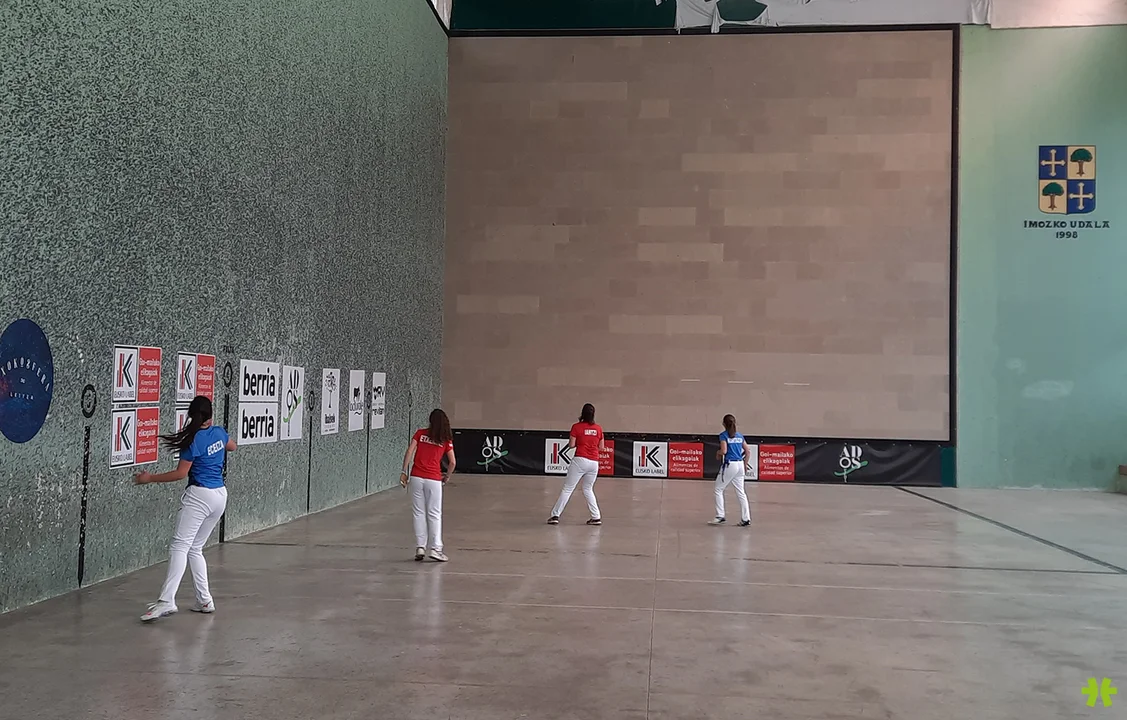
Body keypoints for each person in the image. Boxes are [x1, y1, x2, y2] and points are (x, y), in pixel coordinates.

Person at [135, 396, 236, 622]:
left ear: (191, 415)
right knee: (195, 548)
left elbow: (180, 474)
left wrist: (149, 478)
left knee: (180, 546)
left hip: (200, 497)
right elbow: (233, 446)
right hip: (220, 496)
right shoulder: (219, 433)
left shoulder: (192, 441)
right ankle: (205, 600)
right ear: (210, 415)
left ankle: (167, 600)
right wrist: (218, 444)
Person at [401, 409, 456, 562]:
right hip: (434, 479)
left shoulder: (420, 434)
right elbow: (452, 462)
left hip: (416, 477)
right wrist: (447, 476)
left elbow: (409, 451)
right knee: (434, 513)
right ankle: (436, 548)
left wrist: (404, 471)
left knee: (418, 512)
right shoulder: (445, 440)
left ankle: (420, 546)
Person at [548, 403, 604, 526]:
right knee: (588, 489)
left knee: (568, 488)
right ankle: (596, 517)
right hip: (594, 462)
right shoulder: (598, 429)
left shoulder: (576, 427)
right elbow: (601, 447)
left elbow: (571, 445)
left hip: (580, 460)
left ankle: (555, 515)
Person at [710, 414, 752, 527]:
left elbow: (724, 451)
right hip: (740, 464)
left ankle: (720, 515)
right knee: (741, 492)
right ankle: (746, 518)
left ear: (723, 424)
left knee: (718, 489)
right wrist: (745, 464)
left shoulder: (723, 435)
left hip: (730, 464)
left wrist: (718, 453)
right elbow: (748, 451)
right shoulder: (740, 436)